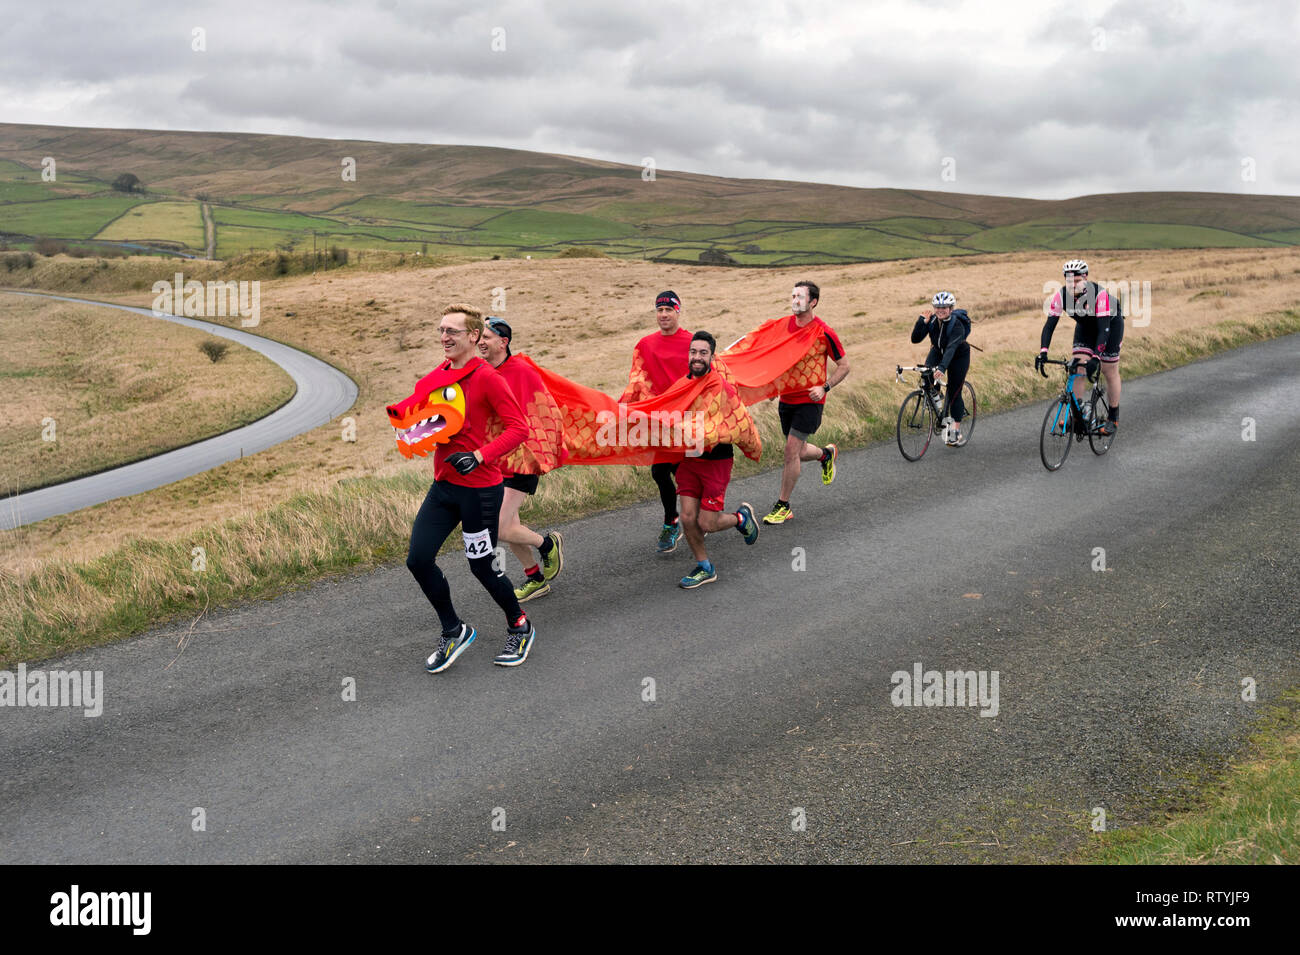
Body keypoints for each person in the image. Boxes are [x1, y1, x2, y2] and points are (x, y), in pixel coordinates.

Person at [401, 304, 536, 671]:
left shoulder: (488, 377)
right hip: (444, 487)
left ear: (474, 337)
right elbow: (425, 421)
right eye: (442, 330)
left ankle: (519, 625)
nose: (444, 337)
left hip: (480, 491)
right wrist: (410, 432)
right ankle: (454, 630)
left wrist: (479, 455)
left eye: (453, 332)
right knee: (418, 559)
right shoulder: (434, 378)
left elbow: (518, 428)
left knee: (481, 566)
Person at [477, 316, 565, 602]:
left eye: (486, 337)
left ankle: (546, 544)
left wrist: (540, 452)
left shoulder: (522, 371)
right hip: (495, 460)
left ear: (503, 342)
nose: (480, 342)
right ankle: (535, 578)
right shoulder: (481, 371)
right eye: (479, 337)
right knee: (511, 525)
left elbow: (546, 412)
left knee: (500, 527)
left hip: (523, 460)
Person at [674, 332, 760, 588]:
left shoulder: (720, 387)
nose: (697, 357)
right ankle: (704, 567)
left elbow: (737, 421)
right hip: (689, 459)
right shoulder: (682, 384)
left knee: (707, 523)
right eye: (693, 352)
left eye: (702, 353)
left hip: (716, 461)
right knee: (688, 518)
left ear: (711, 356)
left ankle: (741, 519)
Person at [761, 281, 849, 524]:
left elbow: (844, 365)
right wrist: (772, 385)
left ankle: (783, 505)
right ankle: (826, 455)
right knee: (798, 451)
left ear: (813, 302)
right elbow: (778, 359)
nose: (794, 301)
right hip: (786, 399)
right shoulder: (783, 327)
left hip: (810, 401)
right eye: (792, 296)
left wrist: (825, 387)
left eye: (800, 297)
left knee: (790, 451)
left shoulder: (824, 332)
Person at [619, 290, 693, 552]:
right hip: (658, 420)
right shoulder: (645, 344)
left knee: (686, 475)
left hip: (687, 419)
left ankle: (701, 518)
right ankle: (672, 521)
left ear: (678, 311)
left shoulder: (692, 342)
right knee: (660, 471)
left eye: (668, 310)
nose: (663, 315)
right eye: (659, 310)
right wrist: (621, 408)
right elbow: (637, 380)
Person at [1035, 259, 1123, 436]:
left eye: (1076, 281)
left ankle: (1112, 417)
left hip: (1109, 327)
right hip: (1085, 328)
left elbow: (1103, 329)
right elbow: (1049, 325)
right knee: (1077, 366)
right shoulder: (1061, 295)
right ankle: (1077, 416)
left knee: (1108, 369)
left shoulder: (1099, 295)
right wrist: (1043, 352)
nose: (1072, 284)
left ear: (1085, 278)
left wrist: (1097, 357)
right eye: (1069, 280)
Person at [911, 291, 973, 446]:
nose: (940, 310)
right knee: (926, 375)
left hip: (959, 356)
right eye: (937, 307)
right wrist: (921, 322)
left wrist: (942, 368)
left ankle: (955, 431)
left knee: (954, 391)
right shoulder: (932, 321)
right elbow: (915, 339)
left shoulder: (957, 325)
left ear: (951, 308)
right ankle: (938, 400)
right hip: (938, 351)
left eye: (944, 307)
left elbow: (951, 348)